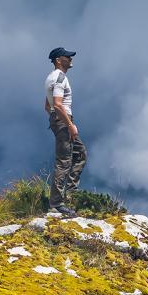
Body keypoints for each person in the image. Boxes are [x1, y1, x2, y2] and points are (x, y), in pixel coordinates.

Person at [44, 47, 86, 216]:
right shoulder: (60, 77)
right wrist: (69, 124)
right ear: (58, 60)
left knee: (80, 154)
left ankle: (68, 195)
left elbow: (47, 106)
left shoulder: (50, 78)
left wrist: (54, 118)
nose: (71, 59)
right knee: (64, 160)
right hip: (64, 120)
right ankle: (56, 204)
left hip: (58, 120)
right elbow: (58, 103)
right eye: (67, 57)